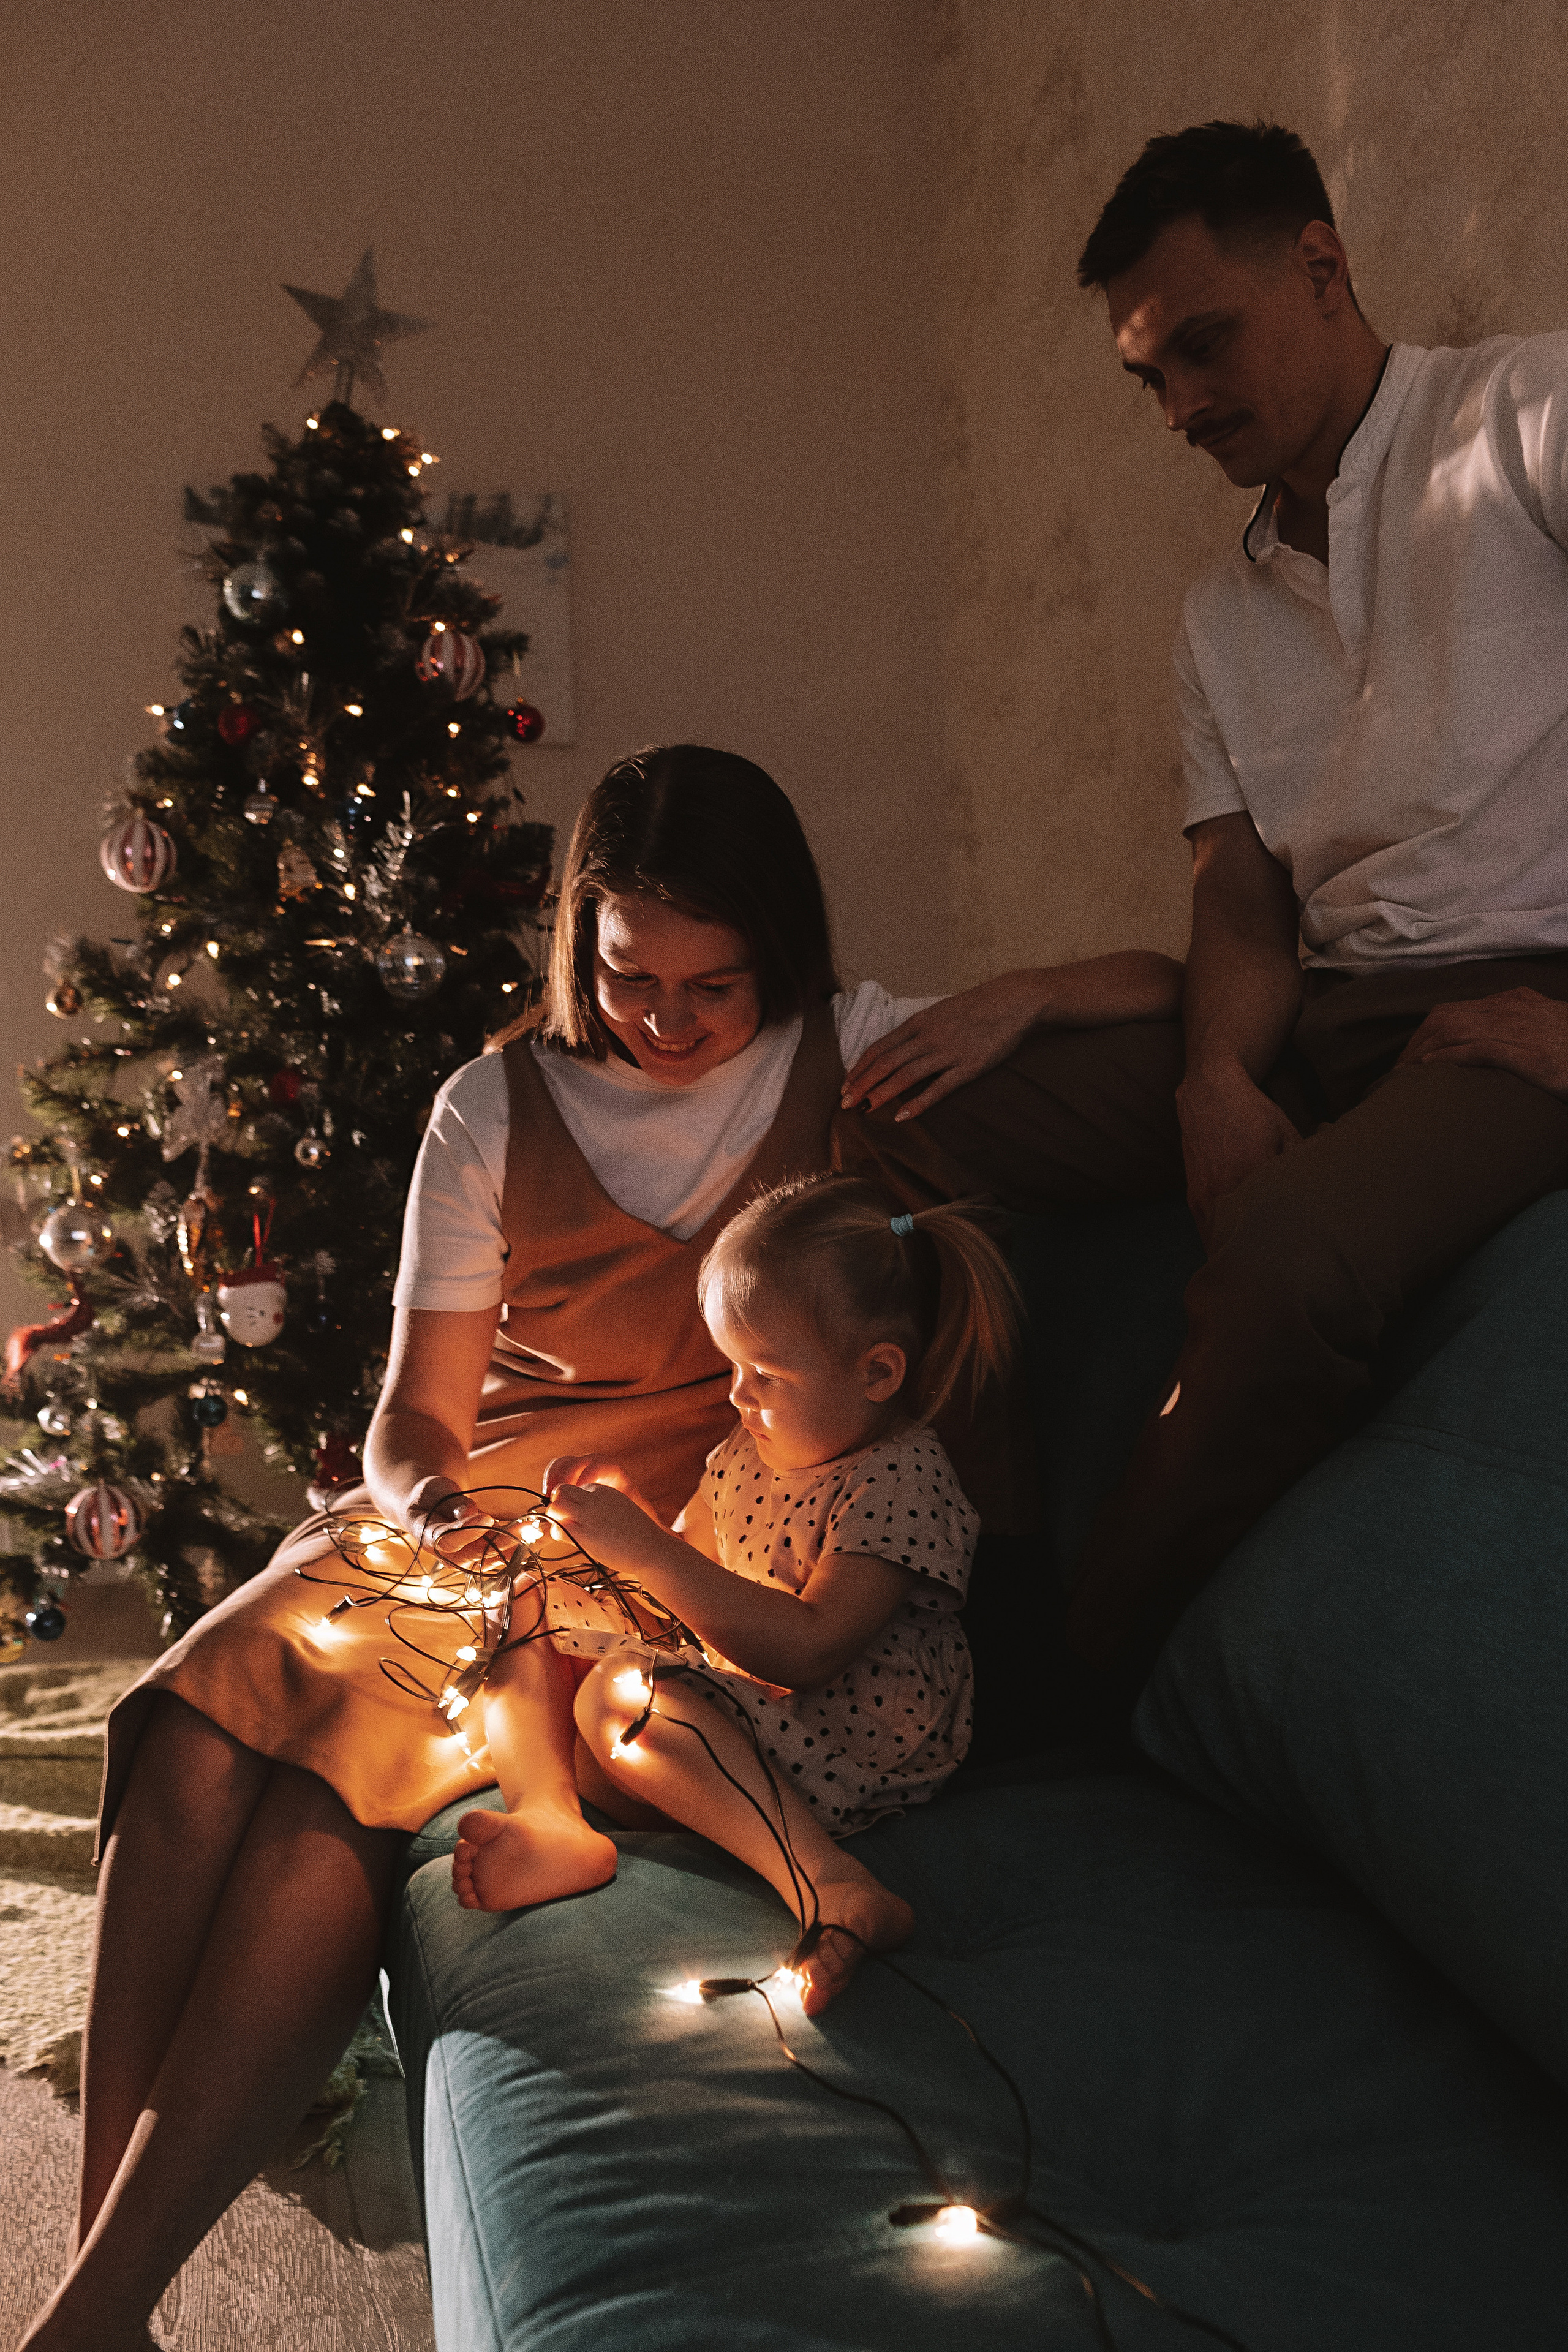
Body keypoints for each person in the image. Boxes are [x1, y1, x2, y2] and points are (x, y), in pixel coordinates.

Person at [26, 745, 1177, 2351]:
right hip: (454, 1521)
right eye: (631, 977)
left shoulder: (846, 1054)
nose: (668, 1021)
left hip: (645, 1559)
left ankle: (94, 2315)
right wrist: (432, 1517)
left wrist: (1028, 994)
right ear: (581, 941)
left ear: (777, 953)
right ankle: (97, 2294)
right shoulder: (491, 1106)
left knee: (315, 1811)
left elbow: (1160, 1000)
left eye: (714, 986)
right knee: (192, 1729)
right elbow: (410, 1424)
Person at [839, 119, 1568, 1672]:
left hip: (1515, 1010)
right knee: (890, 1113)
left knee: (1285, 1254)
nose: (1176, 405)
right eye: (1146, 377)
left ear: (1320, 267)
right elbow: (1235, 903)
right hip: (1318, 1015)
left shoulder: (1524, 415)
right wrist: (1215, 1077)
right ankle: (959, 1568)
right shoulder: (1216, 614)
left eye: (1202, 345)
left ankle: (1075, 1664)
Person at [448, 1171, 1019, 2016]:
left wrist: (647, 1554)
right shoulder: (749, 1448)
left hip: (844, 1734)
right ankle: (549, 1820)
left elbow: (812, 1651)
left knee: (626, 1700)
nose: (738, 1395)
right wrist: (630, 1523)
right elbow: (696, 1575)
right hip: (733, 1696)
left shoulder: (899, 1480)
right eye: (733, 1366)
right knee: (524, 1593)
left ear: (877, 1372)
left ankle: (826, 1880)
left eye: (767, 1374)